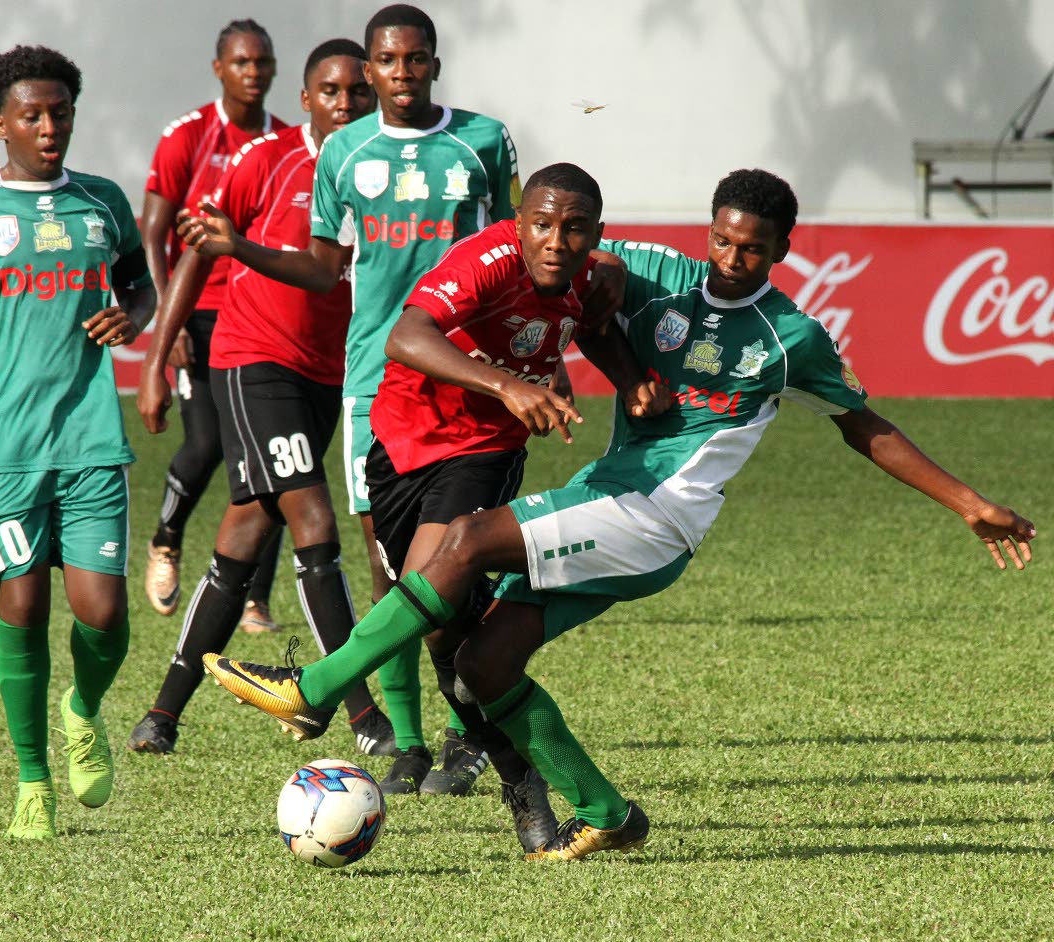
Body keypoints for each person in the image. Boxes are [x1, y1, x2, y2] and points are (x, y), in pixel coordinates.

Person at [201, 167, 1035, 861]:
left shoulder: (791, 338)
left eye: (753, 247)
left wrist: (969, 502)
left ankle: (313, 690)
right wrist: (616, 346)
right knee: (481, 667)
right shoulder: (661, 274)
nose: (732, 258)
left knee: (462, 542)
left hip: (657, 512)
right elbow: (587, 266)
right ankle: (608, 812)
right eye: (723, 239)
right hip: (609, 492)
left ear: (782, 250)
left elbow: (866, 428)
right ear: (709, 230)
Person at [178, 4, 523, 794]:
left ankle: (467, 732)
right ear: (369, 70)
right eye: (389, 61)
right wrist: (244, 253)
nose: (403, 73)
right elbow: (326, 266)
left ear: (436, 62)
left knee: (451, 570)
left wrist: (526, 359)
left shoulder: (484, 140)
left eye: (417, 58)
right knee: (387, 565)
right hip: (376, 383)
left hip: (467, 383)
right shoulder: (344, 154)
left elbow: (510, 254)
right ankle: (406, 742)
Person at [0, 45, 155, 840]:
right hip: (1, 448)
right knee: (23, 605)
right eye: (34, 116)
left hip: (90, 438)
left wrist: (135, 317)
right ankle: (32, 778)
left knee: (104, 611)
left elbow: (139, 280)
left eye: (62, 113)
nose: (50, 128)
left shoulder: (104, 202)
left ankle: (83, 709)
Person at [127, 40, 395, 761]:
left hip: (325, 373)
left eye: (358, 93)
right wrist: (158, 356)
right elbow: (199, 251)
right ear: (305, 100)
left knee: (244, 530)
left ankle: (163, 711)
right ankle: (361, 709)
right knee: (310, 512)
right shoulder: (267, 159)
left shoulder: (381, 173)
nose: (346, 104)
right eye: (331, 91)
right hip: (252, 358)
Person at [140, 19, 288, 633]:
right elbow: (154, 231)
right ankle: (167, 539)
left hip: (261, 318)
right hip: (196, 312)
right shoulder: (190, 136)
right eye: (241, 62)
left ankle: (256, 597)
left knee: (271, 457)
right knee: (205, 445)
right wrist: (165, 323)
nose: (253, 71)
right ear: (219, 68)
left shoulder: (285, 140)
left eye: (263, 61)